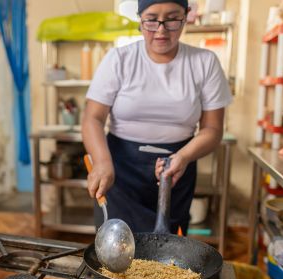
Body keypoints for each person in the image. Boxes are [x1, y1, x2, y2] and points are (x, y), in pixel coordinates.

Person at [82, 0, 232, 234]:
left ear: (186, 16)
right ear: (140, 19)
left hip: (178, 168)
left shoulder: (204, 62)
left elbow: (212, 130)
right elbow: (92, 118)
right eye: (152, 20)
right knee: (117, 249)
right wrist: (101, 162)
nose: (161, 30)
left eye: (172, 19)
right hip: (119, 170)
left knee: (168, 251)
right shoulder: (119, 59)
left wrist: (183, 157)